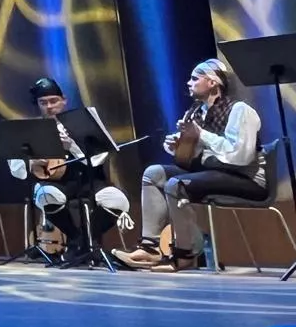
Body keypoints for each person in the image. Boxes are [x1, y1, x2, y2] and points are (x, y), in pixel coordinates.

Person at [113, 59, 266, 272]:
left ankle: (187, 254)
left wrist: (200, 134)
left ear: (212, 82)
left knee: (177, 185)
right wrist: (178, 144)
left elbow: (239, 156)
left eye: (195, 78)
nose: (188, 82)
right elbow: (195, 154)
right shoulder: (197, 113)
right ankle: (150, 247)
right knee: (153, 174)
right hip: (213, 172)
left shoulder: (240, 110)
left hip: (245, 177)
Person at [23, 77, 131, 265]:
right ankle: (78, 240)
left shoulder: (83, 123)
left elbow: (97, 159)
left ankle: (82, 243)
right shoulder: (32, 129)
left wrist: (71, 146)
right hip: (55, 182)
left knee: (118, 200)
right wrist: (32, 161)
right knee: (46, 195)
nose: (49, 106)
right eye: (43, 103)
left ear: (64, 100)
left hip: (88, 181)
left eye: (53, 101)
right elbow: (17, 169)